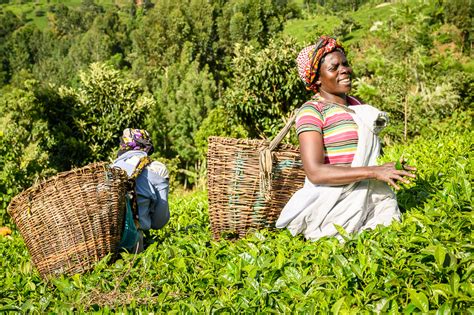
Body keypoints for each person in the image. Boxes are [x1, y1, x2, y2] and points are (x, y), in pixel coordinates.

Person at [275, 36, 416, 241]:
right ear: (316, 78)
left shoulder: (358, 107)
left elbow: (362, 157)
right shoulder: (312, 111)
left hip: (371, 198)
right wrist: (375, 172)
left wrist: (388, 168)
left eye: (345, 63)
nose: (344, 70)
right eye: (334, 67)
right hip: (332, 205)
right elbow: (315, 172)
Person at [112, 128, 170, 252]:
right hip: (134, 244)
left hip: (106, 241)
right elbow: (160, 221)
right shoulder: (157, 168)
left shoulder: (110, 170)